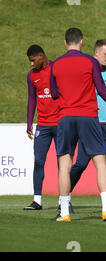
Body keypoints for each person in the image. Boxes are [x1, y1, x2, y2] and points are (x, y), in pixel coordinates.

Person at [49, 27, 106, 222]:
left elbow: (53, 93)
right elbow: (101, 89)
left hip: (66, 117)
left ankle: (64, 213)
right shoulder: (89, 62)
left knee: (64, 164)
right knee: (100, 161)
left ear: (65, 43)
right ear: (82, 42)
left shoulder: (55, 65)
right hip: (88, 116)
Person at [69, 39, 106, 213]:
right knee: (81, 164)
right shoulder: (85, 69)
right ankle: (65, 197)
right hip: (91, 123)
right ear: (96, 53)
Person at [24, 45, 60, 210]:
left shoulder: (57, 69)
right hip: (43, 126)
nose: (31, 64)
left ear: (40, 56)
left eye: (33, 60)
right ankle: (37, 200)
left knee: (63, 163)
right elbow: (32, 99)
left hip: (61, 124)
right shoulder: (32, 76)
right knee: (38, 161)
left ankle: (64, 201)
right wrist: (30, 122)